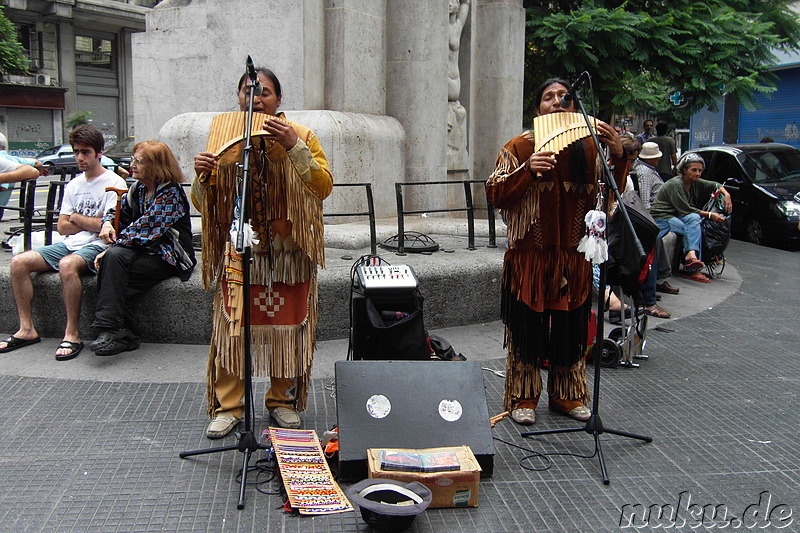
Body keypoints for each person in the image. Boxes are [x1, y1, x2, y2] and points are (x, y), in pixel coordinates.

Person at [192, 67, 333, 438]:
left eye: (264, 92)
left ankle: (282, 401)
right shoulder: (225, 136)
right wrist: (202, 176)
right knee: (232, 327)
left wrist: (293, 147)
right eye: (248, 92)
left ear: (278, 100)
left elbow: (323, 186)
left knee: (288, 328)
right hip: (240, 249)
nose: (255, 98)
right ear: (238, 98)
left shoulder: (301, 135)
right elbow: (202, 202)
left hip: (287, 254)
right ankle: (229, 406)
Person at [485, 77, 629, 426]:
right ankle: (524, 397)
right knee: (528, 329)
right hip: (530, 256)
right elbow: (495, 195)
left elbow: (613, 194)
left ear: (574, 108)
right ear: (538, 110)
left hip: (573, 255)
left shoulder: (590, 148)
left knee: (570, 327)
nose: (556, 103)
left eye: (563, 98)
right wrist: (527, 171)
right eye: (548, 98)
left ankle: (567, 396)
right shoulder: (519, 147)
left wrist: (621, 156)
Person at [0, 125, 126, 360]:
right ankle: (26, 329)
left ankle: (72, 333)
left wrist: (76, 218)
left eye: (85, 152)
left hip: (98, 247)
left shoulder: (115, 182)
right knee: (19, 262)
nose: (80, 157)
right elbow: (62, 227)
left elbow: (109, 226)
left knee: (67, 265)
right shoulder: (74, 184)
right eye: (76, 151)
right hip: (70, 243)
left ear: (99, 152)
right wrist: (88, 222)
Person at [89, 140, 196, 356]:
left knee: (114, 268)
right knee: (115, 271)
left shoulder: (171, 193)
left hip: (170, 254)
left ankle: (114, 330)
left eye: (139, 161)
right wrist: (109, 223)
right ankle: (118, 332)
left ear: (157, 166)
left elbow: (145, 229)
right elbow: (119, 212)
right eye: (133, 159)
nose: (133, 165)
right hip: (145, 250)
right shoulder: (137, 189)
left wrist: (110, 249)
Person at [650, 153, 732, 283]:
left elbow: (715, 185)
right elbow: (685, 209)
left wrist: (726, 194)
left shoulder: (695, 183)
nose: (697, 174)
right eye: (693, 170)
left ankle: (692, 256)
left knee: (694, 220)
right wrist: (711, 215)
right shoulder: (676, 183)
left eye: (700, 171)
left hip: (676, 216)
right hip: (663, 217)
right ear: (684, 170)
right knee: (692, 225)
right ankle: (693, 266)